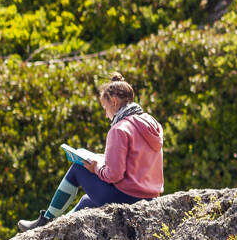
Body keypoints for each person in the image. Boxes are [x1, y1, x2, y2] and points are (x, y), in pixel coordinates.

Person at [18, 73, 163, 231]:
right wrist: (103, 159)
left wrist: (96, 168)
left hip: (127, 198)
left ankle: (45, 220)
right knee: (87, 201)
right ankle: (52, 231)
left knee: (78, 167)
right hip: (149, 197)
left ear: (113, 102)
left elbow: (114, 175)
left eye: (104, 108)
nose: (105, 114)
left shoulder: (119, 129)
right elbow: (138, 161)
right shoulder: (151, 123)